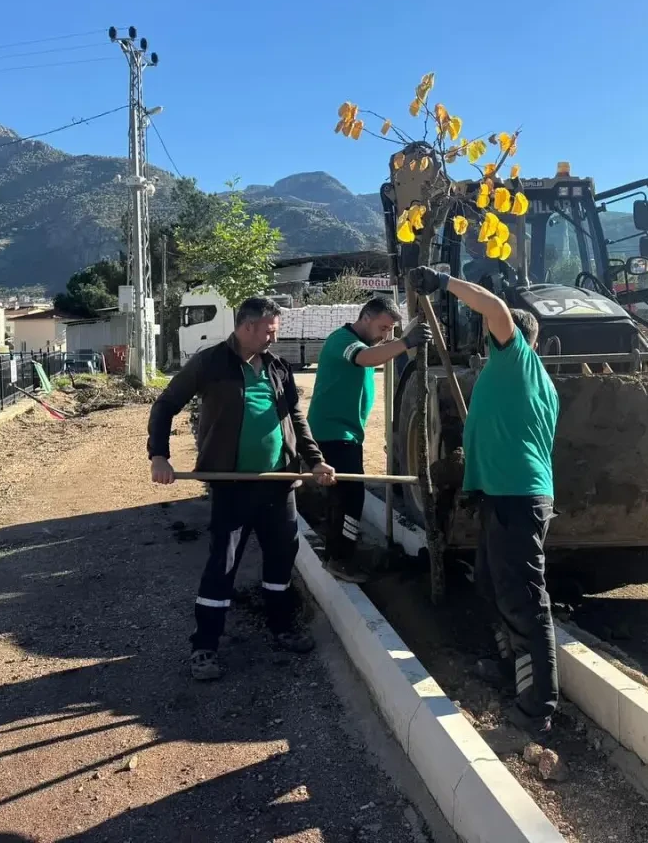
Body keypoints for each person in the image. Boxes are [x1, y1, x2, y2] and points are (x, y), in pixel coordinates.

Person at [147, 296, 337, 682]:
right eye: (270, 330)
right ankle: (205, 647)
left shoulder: (277, 367)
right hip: (231, 485)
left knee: (281, 558)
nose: (273, 337)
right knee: (223, 564)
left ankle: (281, 626)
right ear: (247, 326)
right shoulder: (210, 363)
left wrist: (315, 461)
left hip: (278, 483)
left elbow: (295, 419)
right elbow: (165, 405)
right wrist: (159, 456)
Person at [406, 264, 560, 735]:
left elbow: (493, 307)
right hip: (502, 495)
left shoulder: (516, 360)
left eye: (493, 334)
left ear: (512, 335)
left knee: (525, 598)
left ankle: (539, 706)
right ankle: (514, 670)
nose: (486, 339)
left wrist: (443, 282)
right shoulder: (520, 379)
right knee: (491, 587)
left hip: (518, 498)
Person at [307, 296, 430, 583]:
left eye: (390, 330)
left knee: (345, 494)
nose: (385, 334)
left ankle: (339, 548)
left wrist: (400, 340)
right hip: (333, 433)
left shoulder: (360, 340)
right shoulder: (343, 340)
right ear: (365, 317)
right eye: (383, 327)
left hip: (346, 432)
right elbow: (366, 359)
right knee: (351, 496)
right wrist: (405, 343)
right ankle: (340, 558)